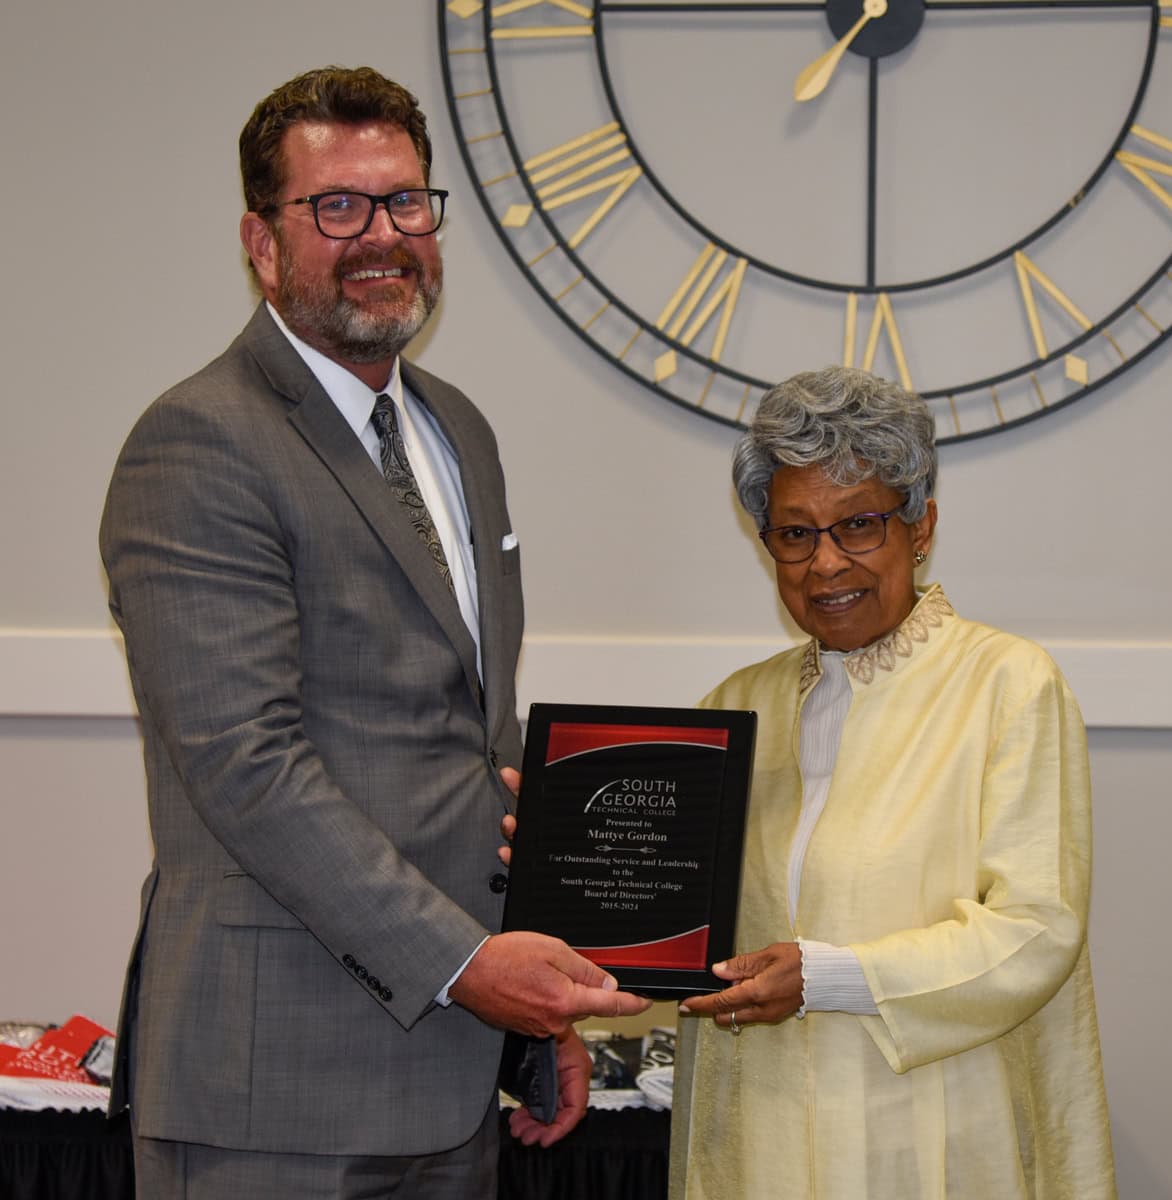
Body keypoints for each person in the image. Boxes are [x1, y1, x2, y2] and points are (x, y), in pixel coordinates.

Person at [100, 65, 648, 1199]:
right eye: (337, 206)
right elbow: (244, 767)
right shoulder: (199, 442)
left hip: (449, 1086)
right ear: (262, 241)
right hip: (274, 1097)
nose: (382, 235)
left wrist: (523, 1010)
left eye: (405, 202)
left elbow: (466, 747)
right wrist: (467, 967)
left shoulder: (460, 434)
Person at [669, 367, 1115, 1198]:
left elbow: (1035, 931)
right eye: (795, 535)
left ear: (921, 527)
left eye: (859, 526)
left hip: (935, 1133)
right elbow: (680, 918)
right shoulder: (734, 707)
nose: (826, 563)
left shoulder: (1007, 684)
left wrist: (832, 976)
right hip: (759, 1141)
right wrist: (564, 870)